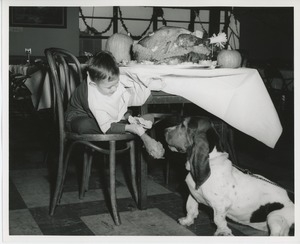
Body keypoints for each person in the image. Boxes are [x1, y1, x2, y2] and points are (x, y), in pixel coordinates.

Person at [65, 50, 165, 137]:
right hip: (77, 117)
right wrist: (128, 128)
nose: (114, 89)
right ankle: (124, 125)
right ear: (94, 84)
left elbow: (116, 102)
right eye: (109, 87)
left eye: (116, 84)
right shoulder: (92, 97)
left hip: (97, 115)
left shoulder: (105, 82)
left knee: (125, 111)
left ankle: (126, 122)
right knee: (84, 125)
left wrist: (126, 116)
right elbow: (106, 127)